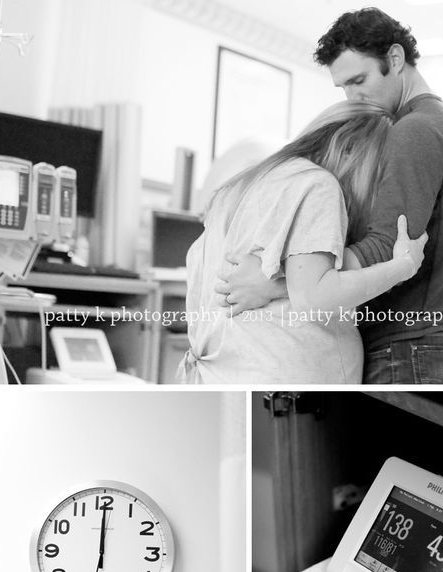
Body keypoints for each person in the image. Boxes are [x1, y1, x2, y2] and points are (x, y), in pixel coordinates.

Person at [218, 7, 443, 386]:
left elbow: (387, 247)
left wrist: (278, 281)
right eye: (343, 86)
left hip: (410, 343)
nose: (352, 96)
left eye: (358, 80)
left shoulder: (416, 130)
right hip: (432, 342)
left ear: (395, 59)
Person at [180, 103, 427, 385]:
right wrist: (404, 266)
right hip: (288, 384)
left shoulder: (242, 184)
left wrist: (272, 285)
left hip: (223, 377)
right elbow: (315, 297)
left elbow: (296, 281)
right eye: (377, 173)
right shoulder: (319, 185)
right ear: (350, 149)